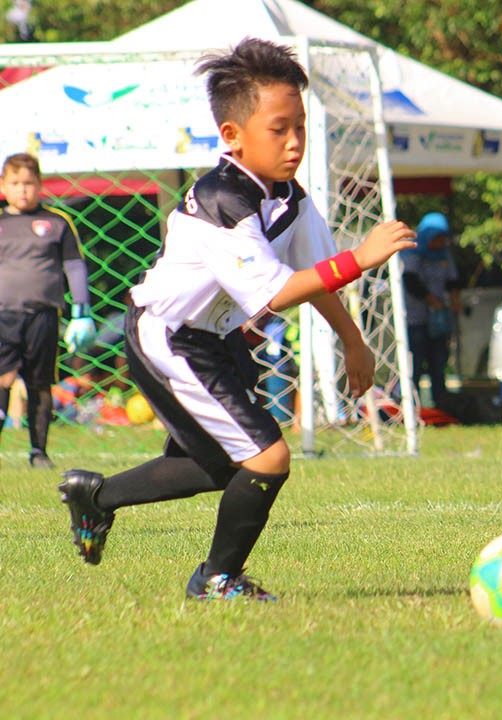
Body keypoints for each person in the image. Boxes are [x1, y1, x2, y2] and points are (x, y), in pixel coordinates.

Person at [56, 38, 416, 601]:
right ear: (232, 136)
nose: (294, 141)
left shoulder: (287, 197)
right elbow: (276, 295)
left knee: (226, 466)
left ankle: (95, 498)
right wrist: (361, 256)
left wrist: (354, 342)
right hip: (168, 336)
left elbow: (315, 271)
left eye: (299, 125)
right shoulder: (223, 200)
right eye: (279, 129)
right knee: (268, 456)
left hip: (212, 339)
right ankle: (216, 579)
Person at [0, 152, 95, 469]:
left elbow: (75, 267)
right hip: (3, 316)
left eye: (28, 183)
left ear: (39, 185)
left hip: (44, 315)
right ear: (3, 185)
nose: (22, 190)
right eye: (15, 183)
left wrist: (82, 312)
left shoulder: (57, 223)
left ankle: (38, 451)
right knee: (3, 379)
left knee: (40, 383)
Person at [402, 211, 460, 409]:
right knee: (415, 362)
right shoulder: (412, 252)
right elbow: (410, 280)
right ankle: (412, 406)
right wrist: (431, 299)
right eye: (437, 238)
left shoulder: (444, 254)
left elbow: (453, 280)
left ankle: (440, 404)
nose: (440, 242)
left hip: (437, 319)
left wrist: (454, 301)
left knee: (438, 361)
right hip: (415, 318)